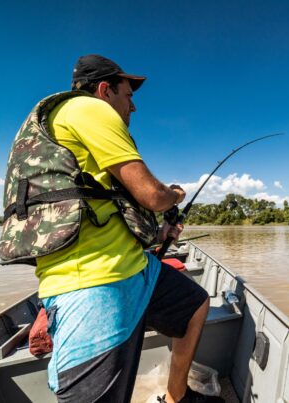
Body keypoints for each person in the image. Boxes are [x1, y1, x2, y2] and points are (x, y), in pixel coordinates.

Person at [29, 54, 222, 403]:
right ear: (105, 90)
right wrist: (176, 193)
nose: (133, 107)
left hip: (131, 266)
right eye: (128, 95)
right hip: (94, 281)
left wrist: (160, 235)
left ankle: (177, 396)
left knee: (195, 304)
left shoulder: (76, 127)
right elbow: (152, 194)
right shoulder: (89, 108)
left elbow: (106, 208)